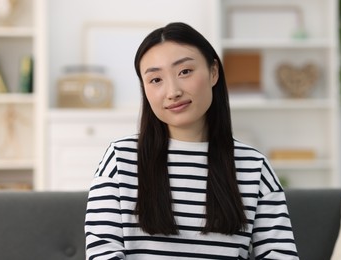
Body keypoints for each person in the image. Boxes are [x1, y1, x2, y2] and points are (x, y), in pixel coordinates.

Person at [85, 22, 299, 260]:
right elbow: (103, 255)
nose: (173, 91)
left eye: (185, 72)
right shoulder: (120, 160)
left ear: (213, 72)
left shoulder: (254, 168)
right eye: (156, 80)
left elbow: (280, 255)